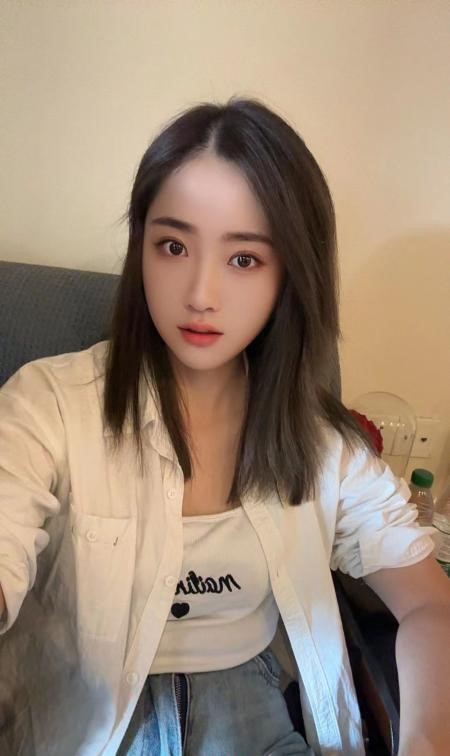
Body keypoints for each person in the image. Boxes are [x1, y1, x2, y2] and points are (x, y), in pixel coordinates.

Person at [0, 98, 448, 756]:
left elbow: (430, 604)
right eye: (173, 246)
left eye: (244, 259)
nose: (200, 294)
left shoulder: (321, 443)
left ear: (289, 274)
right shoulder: (48, 405)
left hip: (252, 710)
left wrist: (427, 741)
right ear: (141, 247)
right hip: (90, 721)